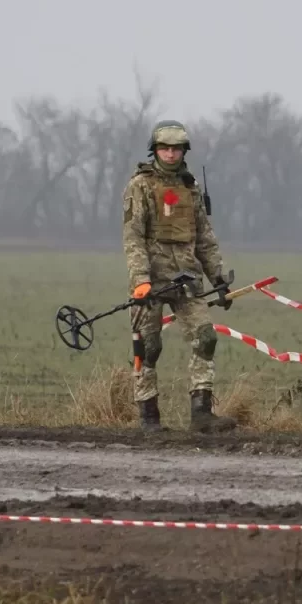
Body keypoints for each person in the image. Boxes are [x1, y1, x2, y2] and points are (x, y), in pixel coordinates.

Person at [122, 120, 235, 433]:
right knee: (148, 347)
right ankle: (148, 417)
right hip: (151, 282)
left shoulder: (190, 187)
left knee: (206, 336)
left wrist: (219, 278)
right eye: (165, 148)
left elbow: (204, 238)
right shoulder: (140, 186)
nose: (170, 154)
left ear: (184, 150)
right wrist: (141, 280)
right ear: (155, 150)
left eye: (176, 149)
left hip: (188, 279)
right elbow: (133, 238)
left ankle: (201, 412)